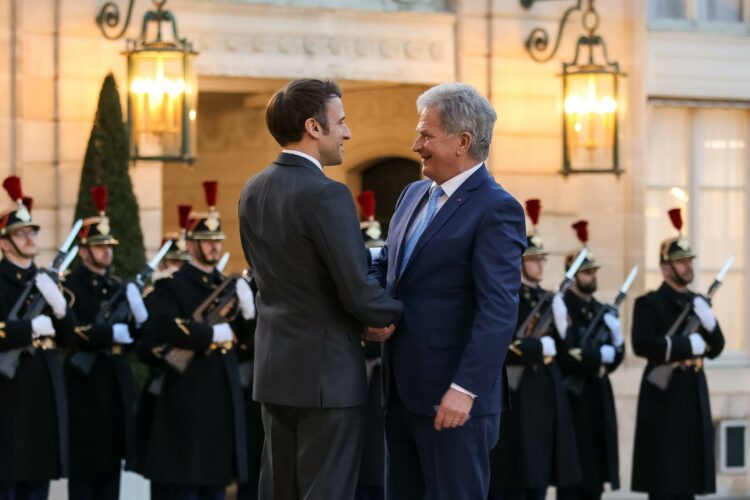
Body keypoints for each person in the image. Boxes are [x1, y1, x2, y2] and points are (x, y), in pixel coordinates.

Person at [238, 78, 403, 500]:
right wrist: (391, 315)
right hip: (327, 375)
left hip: (275, 370)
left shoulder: (252, 190)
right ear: (314, 127)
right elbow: (357, 288)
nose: (347, 133)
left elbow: (283, 279)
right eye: (341, 122)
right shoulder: (327, 194)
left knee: (280, 491)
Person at [369, 82, 526, 500]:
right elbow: (389, 265)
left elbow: (499, 309)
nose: (415, 144)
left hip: (455, 402)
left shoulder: (497, 208)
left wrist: (466, 389)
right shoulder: (412, 194)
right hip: (400, 391)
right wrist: (371, 309)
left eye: (426, 134)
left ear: (462, 141)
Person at [142, 181, 255, 500]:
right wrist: (208, 334)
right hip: (189, 392)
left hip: (223, 388)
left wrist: (248, 313)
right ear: (190, 245)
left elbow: (249, 344)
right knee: (187, 482)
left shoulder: (229, 286)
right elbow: (163, 326)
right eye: (205, 241)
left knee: (216, 484)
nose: (213, 247)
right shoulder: (173, 286)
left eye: (216, 240)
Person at [488, 199, 581, 500]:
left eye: (543, 259)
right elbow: (503, 345)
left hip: (546, 391)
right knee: (516, 477)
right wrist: (539, 347)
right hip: (519, 396)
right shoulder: (509, 298)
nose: (541, 264)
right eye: (534, 259)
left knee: (540, 477)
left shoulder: (549, 299)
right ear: (519, 261)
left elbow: (568, 352)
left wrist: (564, 329)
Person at [631, 208, 725, 500]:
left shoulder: (698, 302)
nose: (686, 267)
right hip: (665, 396)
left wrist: (709, 322)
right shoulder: (650, 303)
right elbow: (643, 344)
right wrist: (687, 346)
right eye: (679, 262)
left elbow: (717, 347)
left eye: (688, 261)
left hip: (693, 392)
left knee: (690, 475)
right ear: (665, 268)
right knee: (666, 475)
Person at [64, 185, 146, 500]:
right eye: (99, 247)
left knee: (111, 474)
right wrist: (109, 334)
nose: (107, 252)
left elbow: (137, 338)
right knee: (84, 475)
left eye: (109, 246)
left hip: (113, 383)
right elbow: (73, 331)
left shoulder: (116, 286)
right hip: (85, 387)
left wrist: (138, 321)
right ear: (84, 251)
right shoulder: (72, 286)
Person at [0, 176, 74, 500]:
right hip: (9, 392)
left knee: (38, 482)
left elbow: (70, 336)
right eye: (21, 233)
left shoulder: (45, 280)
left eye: (31, 231)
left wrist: (60, 308)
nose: (29, 237)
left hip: (43, 387)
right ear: (4, 242)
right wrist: (28, 330)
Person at [555, 221, 622, 500]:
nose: (592, 275)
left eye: (594, 270)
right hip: (573, 399)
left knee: (595, 473)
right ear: (572, 276)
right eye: (586, 271)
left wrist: (617, 343)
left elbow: (615, 359)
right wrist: (599, 356)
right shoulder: (562, 306)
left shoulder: (600, 309)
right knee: (572, 477)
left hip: (597, 395)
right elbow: (566, 354)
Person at [134, 204, 192, 498]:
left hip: (190, 388)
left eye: (182, 263)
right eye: (171, 262)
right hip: (162, 385)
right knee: (164, 471)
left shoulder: (190, 292)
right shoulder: (155, 295)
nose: (176, 269)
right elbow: (147, 347)